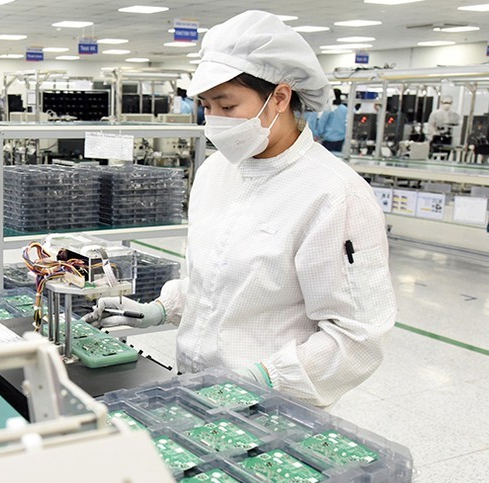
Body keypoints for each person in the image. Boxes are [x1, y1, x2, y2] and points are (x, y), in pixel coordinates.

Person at [83, 10, 396, 408]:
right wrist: (161, 309)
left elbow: (357, 336)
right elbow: (212, 279)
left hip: (274, 405)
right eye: (206, 106)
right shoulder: (216, 171)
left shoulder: (334, 194)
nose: (213, 120)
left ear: (280, 98)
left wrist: (263, 377)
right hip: (191, 388)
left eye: (227, 107)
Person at [315, 88, 349, 152]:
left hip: (329, 139)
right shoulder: (345, 109)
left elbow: (321, 123)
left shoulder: (329, 109)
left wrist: (317, 134)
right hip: (341, 139)